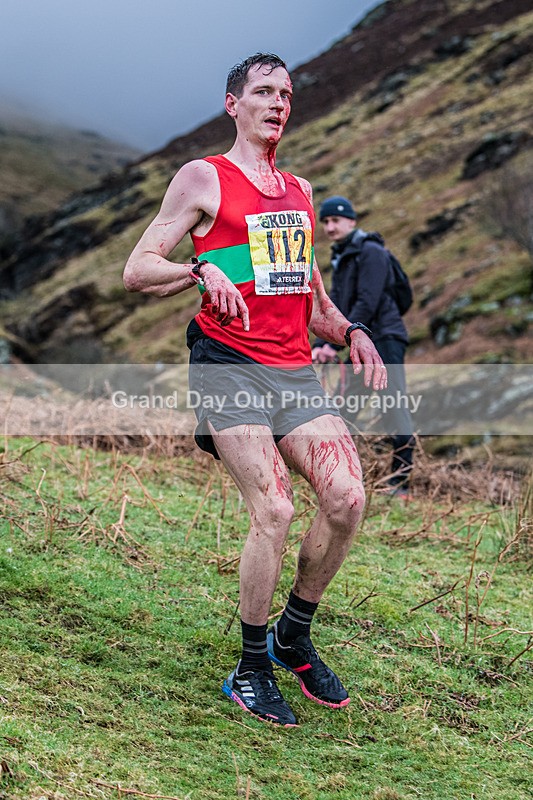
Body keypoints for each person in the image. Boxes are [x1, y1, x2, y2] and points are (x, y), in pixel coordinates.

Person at [123, 54, 387, 728]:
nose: (277, 104)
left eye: (286, 95)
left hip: (293, 371)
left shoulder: (299, 190)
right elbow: (137, 269)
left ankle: (291, 636)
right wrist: (198, 270)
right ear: (232, 104)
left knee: (348, 498)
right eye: (263, 92)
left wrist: (352, 331)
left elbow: (311, 297)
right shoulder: (203, 177)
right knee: (274, 508)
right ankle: (248, 668)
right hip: (228, 365)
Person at [312, 196, 415, 496]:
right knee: (344, 406)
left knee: (393, 404)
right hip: (362, 339)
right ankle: (335, 472)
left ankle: (401, 483)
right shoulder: (344, 255)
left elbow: (367, 302)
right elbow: (336, 304)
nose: (330, 227)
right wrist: (322, 342)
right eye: (326, 222)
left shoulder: (371, 252)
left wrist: (337, 345)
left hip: (385, 338)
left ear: (352, 221)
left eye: (335, 220)